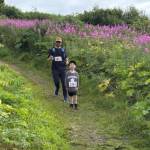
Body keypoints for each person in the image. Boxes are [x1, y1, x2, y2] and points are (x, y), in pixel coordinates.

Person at [48, 37, 68, 102]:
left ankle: (65, 97)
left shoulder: (63, 50)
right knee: (56, 82)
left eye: (59, 42)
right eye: (57, 42)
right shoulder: (52, 50)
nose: (58, 43)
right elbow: (48, 59)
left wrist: (67, 61)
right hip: (55, 69)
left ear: (61, 43)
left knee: (64, 84)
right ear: (55, 42)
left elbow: (66, 57)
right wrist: (50, 58)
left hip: (63, 68)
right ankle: (57, 88)